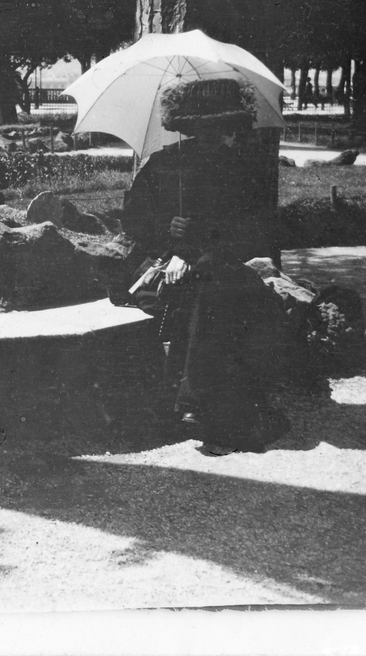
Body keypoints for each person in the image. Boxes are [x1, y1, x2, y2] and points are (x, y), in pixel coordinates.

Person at [120, 77, 287, 454]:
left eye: (220, 126)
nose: (212, 135)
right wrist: (167, 230)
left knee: (218, 284)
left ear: (230, 125)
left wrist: (199, 249)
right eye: (202, 127)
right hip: (162, 267)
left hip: (217, 266)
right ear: (187, 126)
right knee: (211, 289)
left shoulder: (239, 168)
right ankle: (196, 403)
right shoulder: (163, 164)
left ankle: (193, 401)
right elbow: (133, 220)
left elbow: (252, 231)